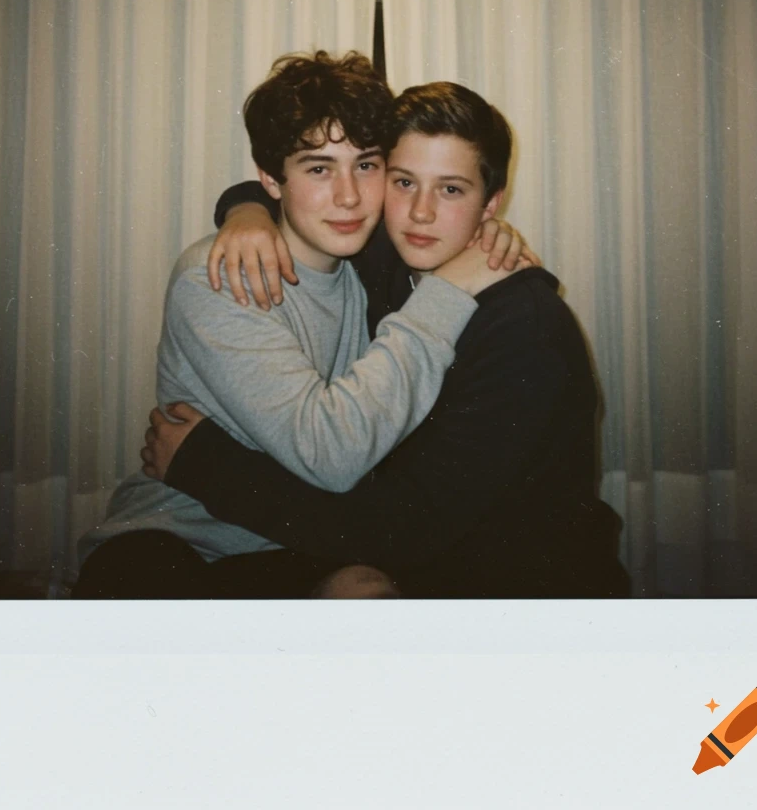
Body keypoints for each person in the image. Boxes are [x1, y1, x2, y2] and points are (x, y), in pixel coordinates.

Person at [140, 81, 630, 598]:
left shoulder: (526, 332)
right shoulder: (383, 260)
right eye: (403, 182)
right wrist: (246, 211)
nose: (420, 212)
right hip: (419, 558)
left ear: (491, 204)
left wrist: (204, 466)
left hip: (521, 593)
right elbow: (297, 189)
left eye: (451, 189)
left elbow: (404, 526)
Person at [73, 53, 520, 599]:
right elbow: (330, 454)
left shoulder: (370, 267)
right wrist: (449, 291)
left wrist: (489, 243)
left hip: (298, 540)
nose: (349, 196)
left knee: (372, 598)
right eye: (318, 168)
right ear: (271, 178)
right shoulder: (216, 278)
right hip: (179, 541)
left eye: (367, 164)